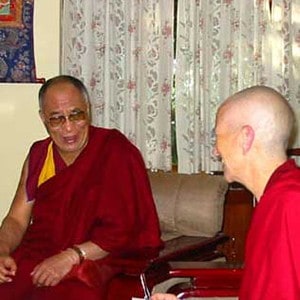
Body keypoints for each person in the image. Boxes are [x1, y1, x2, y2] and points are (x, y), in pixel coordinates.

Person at [0, 75, 162, 299]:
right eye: (56, 119)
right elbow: (17, 219)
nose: (68, 128)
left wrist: (70, 257)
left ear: (88, 109)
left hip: (96, 259)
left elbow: (125, 231)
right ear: (43, 119)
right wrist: (2, 250)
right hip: (40, 256)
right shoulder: (39, 154)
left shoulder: (115, 150)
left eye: (76, 115)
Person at [151, 85, 300, 300]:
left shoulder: (290, 204)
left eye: (217, 136)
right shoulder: (274, 196)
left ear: (245, 138)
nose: (215, 150)